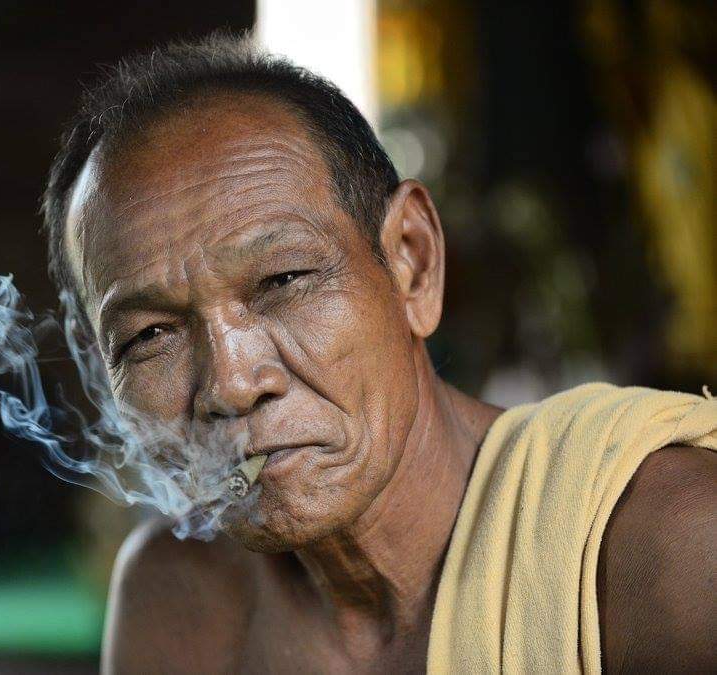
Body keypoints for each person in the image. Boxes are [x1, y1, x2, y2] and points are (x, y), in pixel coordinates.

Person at [40, 35, 716, 673]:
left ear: (412, 264)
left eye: (283, 281)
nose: (232, 381)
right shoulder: (180, 603)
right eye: (150, 336)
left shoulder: (671, 550)